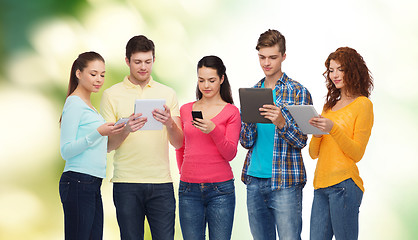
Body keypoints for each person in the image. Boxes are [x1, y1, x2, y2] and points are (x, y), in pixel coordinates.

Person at [100, 35, 183, 240]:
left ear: (154, 60)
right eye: (137, 62)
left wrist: (169, 123)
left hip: (161, 183)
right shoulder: (111, 95)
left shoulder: (168, 93)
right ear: (127, 61)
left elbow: (178, 142)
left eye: (148, 61)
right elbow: (107, 146)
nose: (143, 67)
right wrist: (126, 129)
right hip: (126, 183)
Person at [240, 29, 313, 240]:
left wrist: (281, 122)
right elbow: (246, 142)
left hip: (286, 182)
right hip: (254, 180)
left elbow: (301, 141)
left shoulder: (298, 91)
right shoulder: (253, 92)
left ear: (283, 56)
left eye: (272, 57)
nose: (266, 63)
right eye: (262, 57)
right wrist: (249, 121)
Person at [308, 47, 374, 240]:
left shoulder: (363, 105)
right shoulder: (329, 107)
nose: (334, 75)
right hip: (320, 186)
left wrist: (332, 128)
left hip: (344, 186)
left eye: (340, 69)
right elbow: (313, 153)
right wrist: (317, 133)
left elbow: (357, 153)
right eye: (331, 70)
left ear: (352, 70)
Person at [59, 51, 125, 240]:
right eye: (93, 74)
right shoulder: (74, 103)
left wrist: (121, 130)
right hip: (78, 181)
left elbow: (101, 147)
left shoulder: (91, 108)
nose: (99, 79)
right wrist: (98, 132)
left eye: (102, 75)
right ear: (78, 74)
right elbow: (66, 150)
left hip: (92, 183)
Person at [175, 56, 241, 240]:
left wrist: (214, 130)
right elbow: (180, 146)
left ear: (221, 79)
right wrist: (184, 173)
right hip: (189, 190)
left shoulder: (231, 112)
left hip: (221, 190)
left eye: (211, 80)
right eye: (201, 80)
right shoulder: (186, 109)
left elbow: (230, 153)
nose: (206, 85)